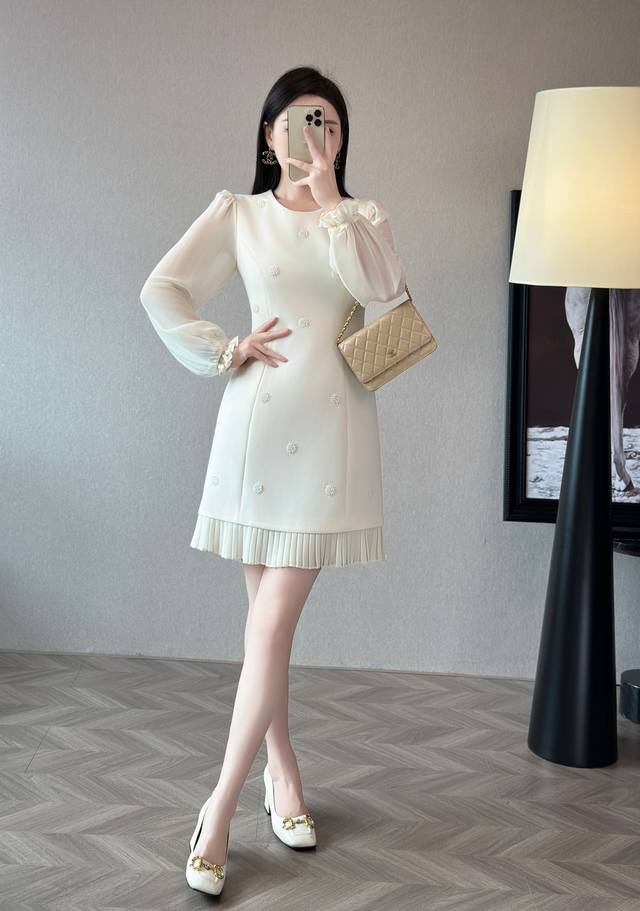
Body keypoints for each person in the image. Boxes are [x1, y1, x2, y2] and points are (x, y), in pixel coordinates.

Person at [139, 66, 409, 896]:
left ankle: (217, 807)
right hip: (255, 433)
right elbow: (162, 289)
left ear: (341, 136)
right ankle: (281, 773)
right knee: (270, 632)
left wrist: (330, 201)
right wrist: (227, 348)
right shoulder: (240, 214)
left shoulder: (363, 219)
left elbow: (384, 294)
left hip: (331, 436)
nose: (312, 134)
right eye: (297, 120)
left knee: (269, 628)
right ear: (268, 134)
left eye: (327, 122)